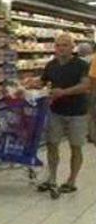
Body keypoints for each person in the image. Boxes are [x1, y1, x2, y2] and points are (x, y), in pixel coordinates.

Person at [35, 34, 90, 194]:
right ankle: (51, 178)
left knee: (76, 147)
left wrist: (63, 92)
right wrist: (32, 83)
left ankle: (71, 180)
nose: (61, 48)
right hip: (56, 111)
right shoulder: (51, 65)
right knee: (52, 145)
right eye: (58, 45)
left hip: (78, 112)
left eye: (65, 45)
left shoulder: (81, 65)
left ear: (73, 47)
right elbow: (43, 81)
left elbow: (85, 86)